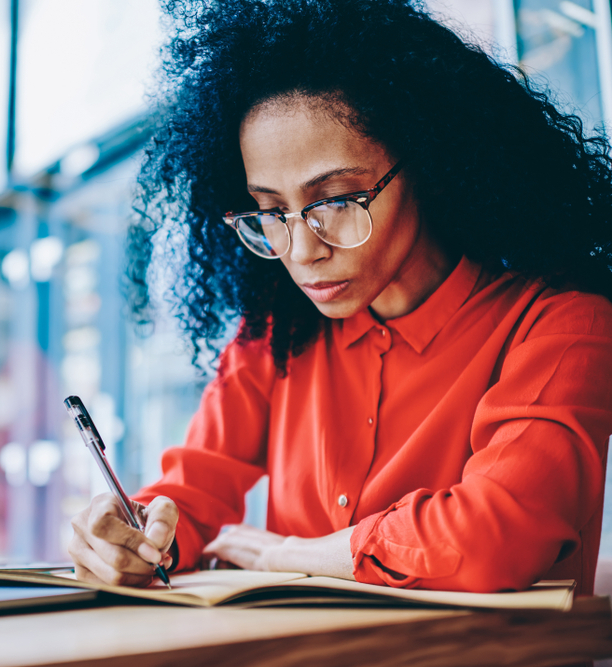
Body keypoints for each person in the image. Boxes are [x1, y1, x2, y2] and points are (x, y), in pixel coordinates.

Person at [68, 0, 612, 594]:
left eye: (334, 201)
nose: (301, 250)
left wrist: (288, 555)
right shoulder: (274, 336)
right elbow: (189, 495)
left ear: (430, 162)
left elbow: (495, 536)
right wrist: (132, 534)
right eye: (272, 211)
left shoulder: (563, 327)